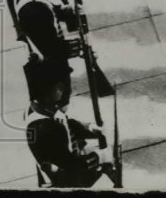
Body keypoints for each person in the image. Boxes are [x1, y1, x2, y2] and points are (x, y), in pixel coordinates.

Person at [24, 59, 113, 188]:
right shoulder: (46, 129)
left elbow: (66, 123)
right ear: (47, 92)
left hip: (66, 162)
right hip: (65, 180)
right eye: (59, 87)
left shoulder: (42, 108)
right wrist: (99, 157)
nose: (63, 89)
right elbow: (73, 167)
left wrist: (88, 128)